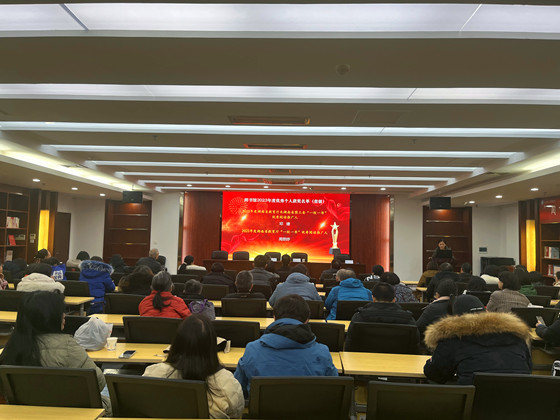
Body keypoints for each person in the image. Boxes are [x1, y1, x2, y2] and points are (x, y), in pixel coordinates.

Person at [0, 291, 111, 414]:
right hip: (73, 412)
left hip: (23, 413)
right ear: (50, 317)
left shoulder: (11, 347)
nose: (64, 315)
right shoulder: (68, 346)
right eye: (61, 312)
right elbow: (99, 383)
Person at [234, 294, 338, 397]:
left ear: (274, 317)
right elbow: (333, 392)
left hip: (265, 408)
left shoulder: (252, 350)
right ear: (307, 321)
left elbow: (237, 391)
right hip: (310, 408)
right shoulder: (322, 352)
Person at [143, 315, 243, 418]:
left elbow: (143, 406)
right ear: (212, 345)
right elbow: (236, 414)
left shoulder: (153, 374)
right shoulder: (228, 383)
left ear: (176, 343)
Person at [424, 294, 532, 384]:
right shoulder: (516, 335)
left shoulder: (453, 339)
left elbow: (435, 374)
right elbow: (528, 366)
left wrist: (431, 361)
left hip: (474, 399)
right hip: (518, 397)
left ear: (456, 317)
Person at [345, 282, 417, 349]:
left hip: (364, 358)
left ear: (373, 298)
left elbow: (350, 344)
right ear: (394, 300)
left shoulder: (359, 317)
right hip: (400, 358)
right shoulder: (408, 319)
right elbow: (415, 346)